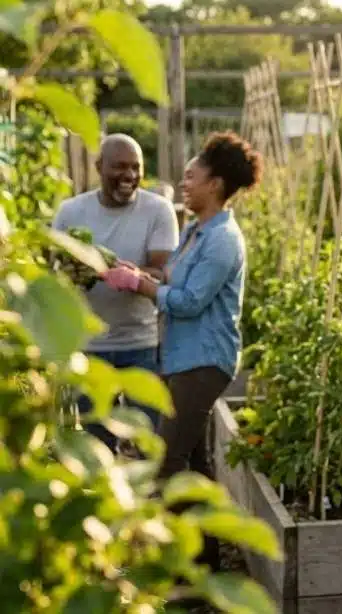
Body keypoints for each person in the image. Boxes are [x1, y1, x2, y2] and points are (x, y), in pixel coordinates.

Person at [103, 131, 261, 569]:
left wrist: (142, 287)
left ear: (215, 184)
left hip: (206, 360)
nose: (183, 183)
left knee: (167, 459)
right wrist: (138, 272)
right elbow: (174, 279)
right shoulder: (195, 230)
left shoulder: (223, 239)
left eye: (191, 177)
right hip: (182, 357)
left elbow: (191, 301)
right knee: (190, 459)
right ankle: (207, 561)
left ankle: (183, 564)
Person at [52, 133, 179, 453]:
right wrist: (74, 275)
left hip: (141, 344)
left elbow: (163, 274)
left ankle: (144, 498)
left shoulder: (158, 211)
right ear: (99, 167)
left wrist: (131, 276)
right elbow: (55, 273)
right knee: (96, 445)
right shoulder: (70, 213)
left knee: (147, 440)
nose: (130, 176)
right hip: (88, 347)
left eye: (136, 168)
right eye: (120, 167)